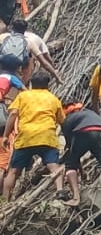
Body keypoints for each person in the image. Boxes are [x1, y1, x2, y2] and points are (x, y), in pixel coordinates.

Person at [2, 70, 65, 202]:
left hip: (26, 137)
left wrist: (6, 135)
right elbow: (62, 121)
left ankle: (4, 201)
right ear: (48, 84)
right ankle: (60, 190)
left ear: (31, 84)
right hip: (47, 137)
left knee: (13, 171)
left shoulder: (23, 96)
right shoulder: (53, 99)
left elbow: (13, 114)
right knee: (54, 166)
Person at [60, 104, 101, 207]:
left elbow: (71, 150)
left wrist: (77, 168)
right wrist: (81, 171)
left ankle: (76, 198)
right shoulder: (90, 113)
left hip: (83, 132)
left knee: (70, 165)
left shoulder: (67, 120)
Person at [6, 19, 61, 85]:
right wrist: (54, 70)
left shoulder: (5, 37)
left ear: (13, 28)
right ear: (25, 29)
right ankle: (25, 83)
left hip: (6, 61)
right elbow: (46, 58)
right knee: (33, 59)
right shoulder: (32, 40)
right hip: (24, 62)